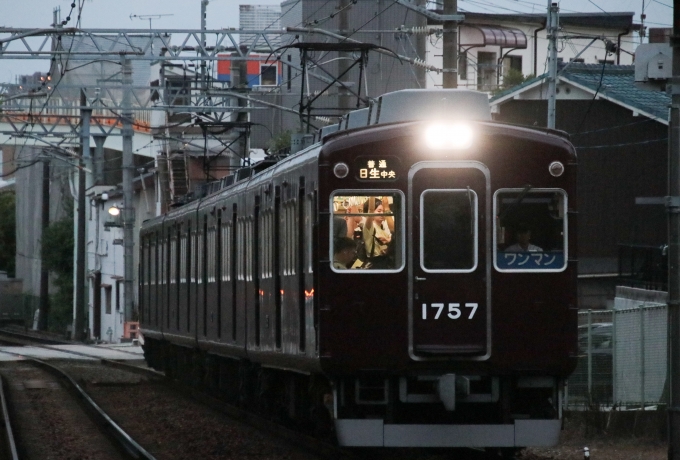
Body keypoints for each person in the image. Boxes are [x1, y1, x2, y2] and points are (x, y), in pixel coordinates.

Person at [362, 198, 392, 268]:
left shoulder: (383, 226)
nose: (382, 213)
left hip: (384, 261)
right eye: (379, 211)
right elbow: (371, 210)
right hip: (375, 263)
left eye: (383, 211)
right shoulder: (369, 226)